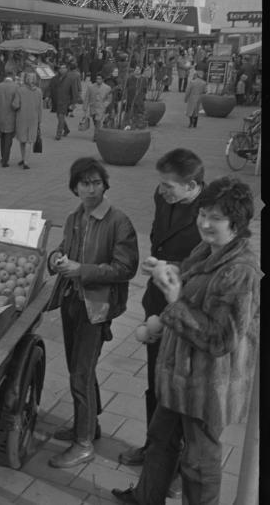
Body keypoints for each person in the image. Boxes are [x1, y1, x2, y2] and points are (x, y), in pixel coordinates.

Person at [112, 176, 259, 505]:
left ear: (236, 224)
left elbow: (221, 339)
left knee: (199, 464)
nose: (204, 223)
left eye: (215, 218)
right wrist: (167, 268)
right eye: (202, 214)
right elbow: (194, 278)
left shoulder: (240, 271)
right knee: (160, 440)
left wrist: (175, 301)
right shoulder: (208, 248)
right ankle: (146, 498)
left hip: (207, 387)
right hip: (179, 376)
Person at [115, 148, 205, 500]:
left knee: (177, 391)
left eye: (170, 186)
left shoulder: (209, 214)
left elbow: (208, 268)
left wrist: (171, 268)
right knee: (155, 382)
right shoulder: (162, 195)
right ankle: (154, 448)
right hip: (157, 301)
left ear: (192, 186)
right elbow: (159, 236)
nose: (162, 191)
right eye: (161, 184)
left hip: (186, 309)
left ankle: (177, 463)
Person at [45, 157, 139, 469]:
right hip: (72, 300)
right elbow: (64, 249)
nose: (91, 189)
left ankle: (83, 443)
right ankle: (88, 425)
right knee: (78, 367)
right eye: (84, 183)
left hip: (96, 307)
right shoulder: (75, 217)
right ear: (75, 187)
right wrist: (56, 259)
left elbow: (125, 268)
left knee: (81, 373)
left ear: (105, 185)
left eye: (96, 182)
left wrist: (81, 270)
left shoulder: (118, 221)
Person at [0, 70, 20, 168]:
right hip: (11, 115)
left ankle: (3, 157)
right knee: (8, 138)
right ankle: (5, 160)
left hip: (0, 115)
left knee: (2, 136)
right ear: (13, 76)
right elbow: (16, 104)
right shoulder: (16, 87)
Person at [15, 72, 43, 168]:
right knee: (29, 140)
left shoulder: (20, 90)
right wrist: (39, 119)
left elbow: (16, 105)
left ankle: (23, 158)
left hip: (21, 117)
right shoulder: (39, 91)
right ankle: (26, 161)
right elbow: (40, 107)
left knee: (22, 139)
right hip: (33, 118)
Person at [52, 63, 80, 140]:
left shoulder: (70, 78)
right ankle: (66, 129)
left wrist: (73, 103)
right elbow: (52, 88)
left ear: (66, 69)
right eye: (60, 68)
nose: (61, 70)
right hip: (57, 101)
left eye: (63, 68)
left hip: (65, 101)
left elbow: (74, 91)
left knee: (61, 117)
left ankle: (58, 134)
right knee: (59, 116)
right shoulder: (56, 78)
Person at [83, 74, 112, 141]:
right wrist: (85, 106)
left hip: (101, 107)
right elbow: (87, 97)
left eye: (99, 79)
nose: (98, 80)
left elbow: (109, 98)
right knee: (95, 121)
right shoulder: (91, 87)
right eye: (97, 79)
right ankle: (99, 132)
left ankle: (96, 137)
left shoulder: (107, 88)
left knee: (98, 121)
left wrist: (105, 105)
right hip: (93, 107)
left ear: (103, 80)